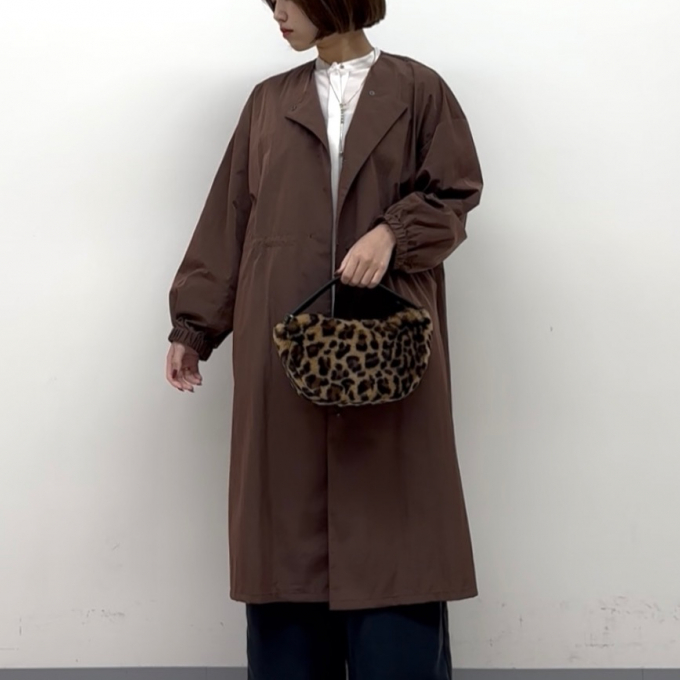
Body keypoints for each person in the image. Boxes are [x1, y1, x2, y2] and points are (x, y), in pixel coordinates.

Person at [165, 0, 483, 677]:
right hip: (281, 349)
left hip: (389, 350)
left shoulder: (419, 90)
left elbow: (455, 194)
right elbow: (231, 217)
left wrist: (394, 232)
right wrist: (194, 324)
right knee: (286, 551)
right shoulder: (267, 102)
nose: (278, 13)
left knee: (396, 547)